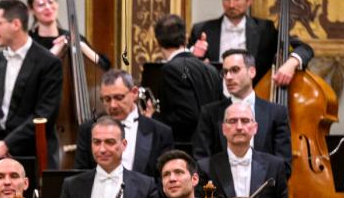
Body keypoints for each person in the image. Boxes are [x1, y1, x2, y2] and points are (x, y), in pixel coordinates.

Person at [189, 0, 313, 86]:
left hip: (253, 100)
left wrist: (291, 64)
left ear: (249, 0)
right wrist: (194, 58)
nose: (231, 4)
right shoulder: (202, 30)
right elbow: (184, 74)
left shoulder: (265, 29)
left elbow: (305, 48)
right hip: (213, 102)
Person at [0, 0, 62, 165]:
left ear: (15, 24)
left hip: (34, 155)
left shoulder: (49, 63)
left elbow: (44, 115)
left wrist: (8, 144)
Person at [53, 117, 162, 198]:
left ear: (124, 145)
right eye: (96, 142)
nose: (102, 149)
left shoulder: (146, 185)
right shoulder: (72, 185)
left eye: (109, 142)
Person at [199, 102, 289, 198]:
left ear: (255, 128)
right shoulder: (205, 168)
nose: (239, 127)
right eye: (233, 121)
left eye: (245, 121)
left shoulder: (275, 165)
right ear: (223, 128)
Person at [191, 50, 291, 169]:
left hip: (265, 185)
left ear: (252, 72)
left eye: (235, 70)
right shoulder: (210, 113)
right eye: (225, 72)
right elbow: (201, 162)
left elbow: (284, 166)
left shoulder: (277, 113)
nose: (228, 77)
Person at [73, 70, 174, 179]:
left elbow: (164, 179)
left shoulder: (160, 132)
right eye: (107, 99)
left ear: (134, 93)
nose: (113, 105)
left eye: (119, 98)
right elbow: (81, 176)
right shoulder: (88, 129)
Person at [153, 13, 224, 146]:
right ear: (185, 38)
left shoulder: (170, 69)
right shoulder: (211, 70)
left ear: (158, 42)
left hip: (185, 147)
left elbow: (187, 115)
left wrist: (153, 117)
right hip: (211, 147)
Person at [26, 0, 111, 70]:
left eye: (51, 2)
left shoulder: (72, 36)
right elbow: (32, 72)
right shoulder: (27, 41)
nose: (48, 7)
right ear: (31, 9)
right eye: (41, 4)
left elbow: (104, 67)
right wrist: (57, 48)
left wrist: (81, 46)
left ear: (57, 4)